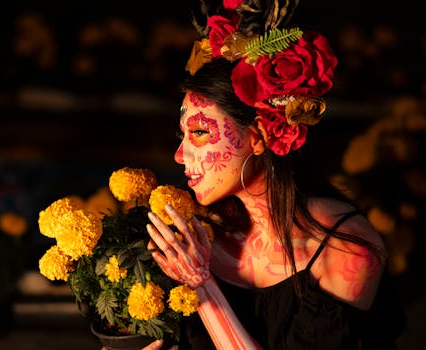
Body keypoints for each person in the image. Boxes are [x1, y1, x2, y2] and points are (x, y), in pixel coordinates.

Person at [142, 0, 407, 349]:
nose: (180, 155)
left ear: (258, 137)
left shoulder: (344, 249)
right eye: (182, 136)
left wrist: (202, 286)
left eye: (200, 134)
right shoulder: (201, 234)